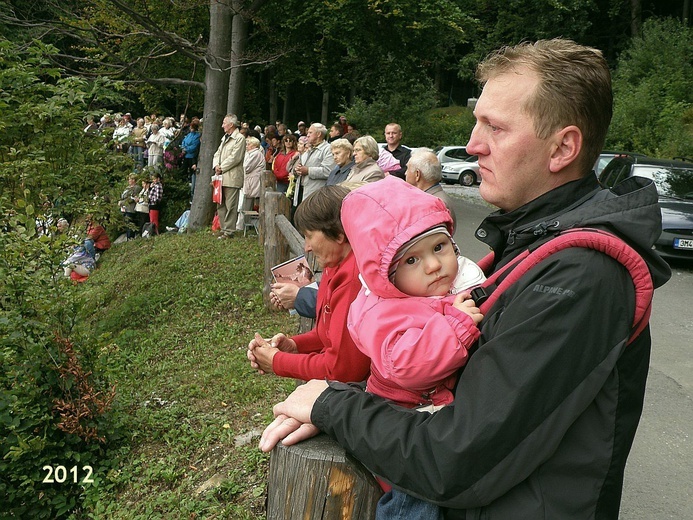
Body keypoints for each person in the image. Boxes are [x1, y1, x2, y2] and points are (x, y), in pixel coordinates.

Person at [259, 39, 672, 519]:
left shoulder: (581, 276)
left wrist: (335, 407)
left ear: (563, 147)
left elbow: (456, 458)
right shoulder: (532, 243)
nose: (473, 144)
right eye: (477, 123)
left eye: (495, 127)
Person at [342, 175, 485, 519]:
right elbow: (406, 365)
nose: (434, 265)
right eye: (411, 260)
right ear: (384, 275)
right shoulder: (383, 310)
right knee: (416, 496)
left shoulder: (431, 288)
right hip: (404, 421)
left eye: (439, 248)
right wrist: (457, 327)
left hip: (426, 414)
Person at [247, 185, 370, 383]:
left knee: (283, 413)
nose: (307, 247)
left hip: (365, 392)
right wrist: (293, 346)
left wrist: (277, 361)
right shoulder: (335, 265)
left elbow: (341, 370)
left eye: (310, 236)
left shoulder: (353, 280)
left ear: (339, 234)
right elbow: (328, 334)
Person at [405, 149, 457, 232]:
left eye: (408, 169)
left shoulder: (434, 204)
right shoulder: (435, 198)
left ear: (417, 174)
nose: (405, 173)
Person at [212, 114, 246, 239]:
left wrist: (222, 167)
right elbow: (217, 153)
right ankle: (223, 228)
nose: (222, 126)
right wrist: (216, 165)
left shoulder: (239, 138)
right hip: (221, 177)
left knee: (231, 205)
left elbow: (235, 157)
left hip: (232, 177)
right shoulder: (224, 138)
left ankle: (229, 231)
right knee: (220, 203)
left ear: (231, 124)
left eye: (224, 123)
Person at [291, 123, 336, 209]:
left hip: (314, 196)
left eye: (310, 133)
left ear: (319, 134)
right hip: (300, 193)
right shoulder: (308, 149)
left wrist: (308, 170)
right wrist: (297, 170)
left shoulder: (328, 149)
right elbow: (301, 166)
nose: (307, 135)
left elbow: (328, 171)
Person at [243, 136, 265, 212]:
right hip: (249, 182)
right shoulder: (249, 153)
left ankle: (245, 222)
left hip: (252, 183)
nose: (246, 146)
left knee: (247, 206)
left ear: (254, 145)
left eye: (248, 144)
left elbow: (247, 167)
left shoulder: (256, 154)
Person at [180, 120, 201, 198]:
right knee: (183, 171)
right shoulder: (188, 135)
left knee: (193, 173)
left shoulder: (197, 136)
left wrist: (186, 149)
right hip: (186, 156)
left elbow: (194, 146)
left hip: (192, 156)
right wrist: (183, 148)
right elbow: (183, 142)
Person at [118, 173, 140, 240]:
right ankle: (128, 238)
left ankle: (131, 238)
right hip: (125, 208)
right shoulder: (127, 188)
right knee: (127, 224)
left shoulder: (136, 188)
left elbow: (131, 199)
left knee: (130, 224)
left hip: (131, 208)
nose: (129, 180)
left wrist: (122, 202)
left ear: (134, 180)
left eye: (130, 179)